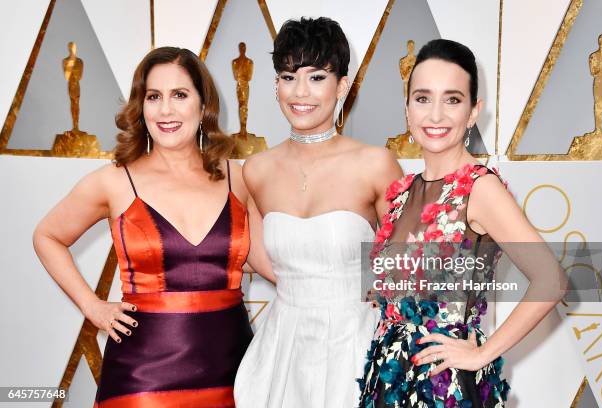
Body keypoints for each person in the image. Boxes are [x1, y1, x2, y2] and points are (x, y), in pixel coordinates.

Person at [33, 47, 272, 407]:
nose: (165, 110)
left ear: (203, 102)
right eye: (153, 97)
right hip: (142, 376)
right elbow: (47, 236)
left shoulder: (237, 179)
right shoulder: (113, 181)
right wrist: (92, 306)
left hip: (233, 373)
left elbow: (272, 263)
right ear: (140, 107)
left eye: (179, 95)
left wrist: (368, 274)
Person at [357, 39, 566, 407]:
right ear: (407, 109)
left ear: (473, 112)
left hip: (444, 388)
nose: (435, 115)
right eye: (422, 98)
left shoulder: (479, 189)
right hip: (389, 382)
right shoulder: (403, 194)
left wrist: (481, 354)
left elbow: (551, 279)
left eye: (452, 99)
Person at [233, 17, 404, 407]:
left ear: (342, 85)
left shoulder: (375, 163)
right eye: (288, 76)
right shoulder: (256, 171)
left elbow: (410, 267)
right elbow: (263, 260)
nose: (300, 92)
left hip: (356, 346)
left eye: (316, 77)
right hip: (283, 348)